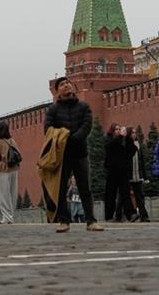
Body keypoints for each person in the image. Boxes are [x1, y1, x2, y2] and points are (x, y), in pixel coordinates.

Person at [44, 76, 103, 232]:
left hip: (80, 152)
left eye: (68, 83)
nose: (66, 85)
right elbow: (48, 130)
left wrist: (74, 137)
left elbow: (87, 125)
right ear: (57, 91)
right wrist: (63, 138)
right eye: (62, 84)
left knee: (85, 188)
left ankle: (91, 221)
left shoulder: (83, 106)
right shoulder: (53, 110)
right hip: (61, 156)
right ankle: (64, 221)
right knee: (62, 188)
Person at [104, 123, 139, 222]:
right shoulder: (109, 139)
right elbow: (109, 146)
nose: (118, 131)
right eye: (116, 129)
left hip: (123, 171)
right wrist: (120, 136)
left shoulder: (123, 141)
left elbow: (132, 151)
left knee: (126, 193)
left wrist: (127, 137)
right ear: (112, 131)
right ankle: (109, 216)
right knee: (111, 194)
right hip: (112, 171)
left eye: (120, 129)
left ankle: (131, 215)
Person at [0, 121, 21, 224]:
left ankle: (7, 217)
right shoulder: (12, 140)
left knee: (3, 195)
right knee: (12, 193)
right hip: (14, 169)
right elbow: (19, 153)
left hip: (4, 169)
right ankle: (11, 215)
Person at [128, 127, 150, 222]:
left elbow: (142, 161)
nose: (134, 134)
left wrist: (144, 176)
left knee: (140, 197)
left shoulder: (138, 145)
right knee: (126, 197)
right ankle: (129, 215)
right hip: (129, 176)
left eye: (135, 132)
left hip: (138, 176)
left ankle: (144, 216)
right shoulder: (125, 144)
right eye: (132, 132)